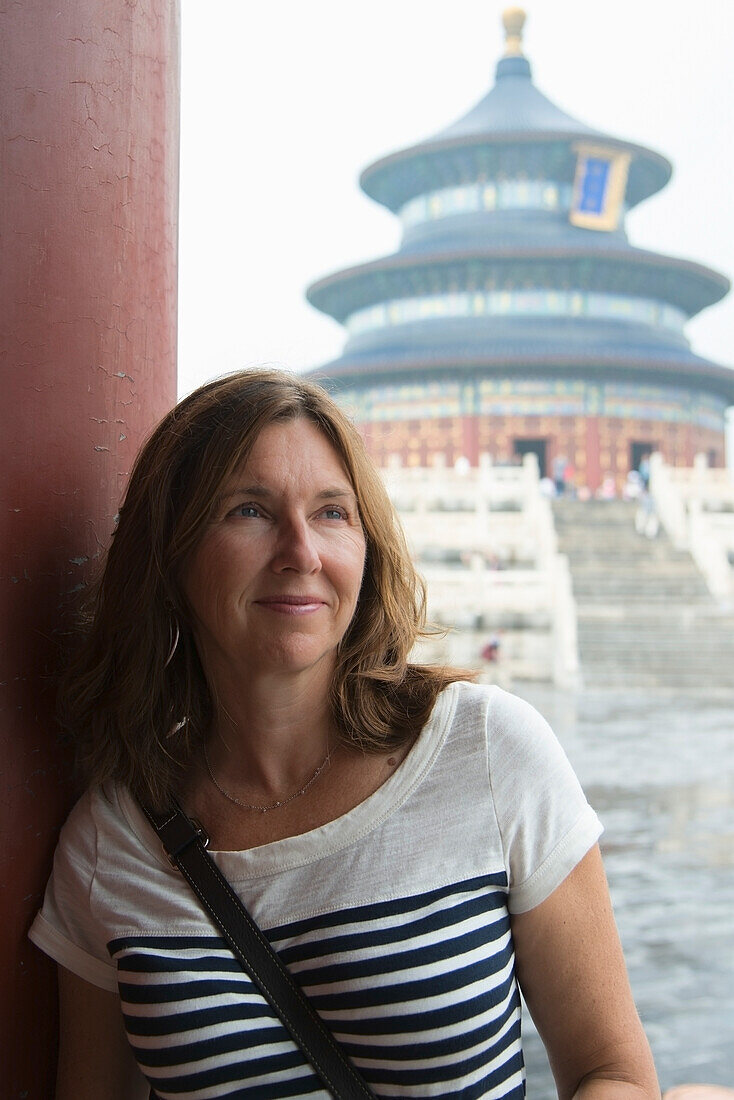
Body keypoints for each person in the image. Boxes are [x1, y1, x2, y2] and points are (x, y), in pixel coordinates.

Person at [29, 369, 659, 1100]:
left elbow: (613, 1073)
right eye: (248, 511)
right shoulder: (114, 843)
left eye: (333, 512)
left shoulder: (486, 753)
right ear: (169, 553)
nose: (302, 551)